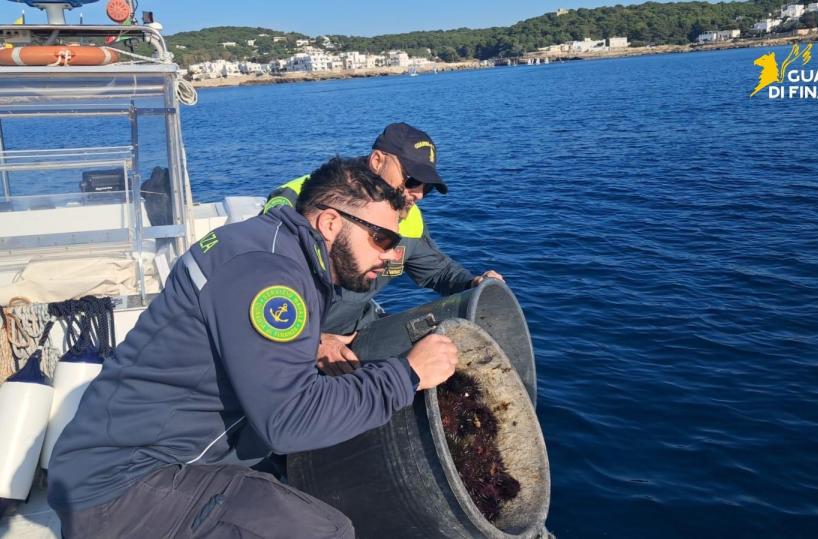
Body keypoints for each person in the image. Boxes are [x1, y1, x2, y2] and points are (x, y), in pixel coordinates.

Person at [47, 157, 459, 538]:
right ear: (332, 223)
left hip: (160, 454)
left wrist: (314, 342)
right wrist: (407, 374)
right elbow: (290, 421)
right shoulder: (270, 274)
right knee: (326, 531)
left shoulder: (272, 245)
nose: (389, 257)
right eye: (382, 238)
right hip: (121, 488)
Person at [262, 123, 502, 375]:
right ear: (377, 160)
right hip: (292, 337)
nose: (418, 194)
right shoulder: (298, 201)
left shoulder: (409, 220)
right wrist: (314, 341)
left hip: (358, 330)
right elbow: (261, 284)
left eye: (427, 186)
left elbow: (437, 271)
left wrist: (473, 283)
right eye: (412, 180)